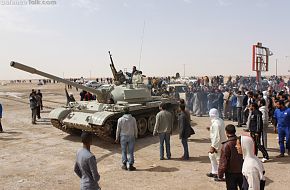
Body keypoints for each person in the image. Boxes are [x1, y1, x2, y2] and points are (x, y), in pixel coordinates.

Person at [216, 124, 243, 189]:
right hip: (242, 171)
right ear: (235, 131)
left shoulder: (226, 145)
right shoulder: (241, 142)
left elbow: (223, 162)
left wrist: (220, 174)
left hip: (231, 173)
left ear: (226, 132)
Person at [206, 108, 227, 178]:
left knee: (219, 159)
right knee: (212, 156)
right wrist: (211, 128)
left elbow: (216, 136)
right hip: (220, 142)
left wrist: (213, 147)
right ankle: (214, 172)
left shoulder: (215, 124)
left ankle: (222, 175)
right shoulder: (219, 120)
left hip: (218, 144)